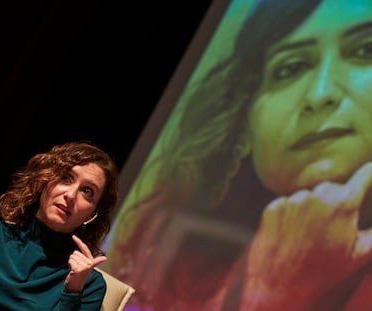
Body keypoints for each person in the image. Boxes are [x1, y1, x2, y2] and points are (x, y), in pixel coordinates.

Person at [104, 0, 372, 310]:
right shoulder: (175, 271)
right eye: (290, 68)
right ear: (243, 127)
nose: (320, 94)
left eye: (365, 51)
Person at [0, 141, 119, 310]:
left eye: (87, 191)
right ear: (45, 178)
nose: (71, 195)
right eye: (66, 178)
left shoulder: (89, 284)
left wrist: (72, 293)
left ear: (93, 213)